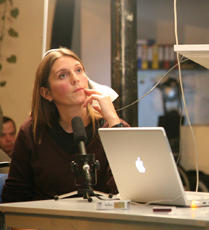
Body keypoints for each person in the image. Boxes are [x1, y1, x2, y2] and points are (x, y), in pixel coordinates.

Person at [2, 48, 129, 203]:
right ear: (46, 93)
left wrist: (114, 120)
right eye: (63, 75)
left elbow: (130, 191)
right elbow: (15, 197)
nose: (75, 79)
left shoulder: (114, 126)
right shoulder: (31, 132)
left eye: (79, 70)